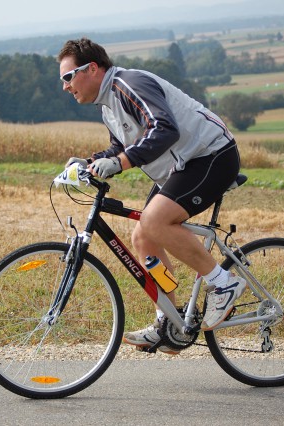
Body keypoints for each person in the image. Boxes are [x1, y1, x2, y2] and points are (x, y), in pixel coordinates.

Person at [58, 37, 246, 355]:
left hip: (210, 155)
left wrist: (118, 163)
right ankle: (170, 321)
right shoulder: (108, 106)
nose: (65, 86)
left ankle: (223, 282)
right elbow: (120, 148)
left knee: (155, 221)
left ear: (91, 69)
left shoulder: (129, 84)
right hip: (181, 167)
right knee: (144, 237)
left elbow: (164, 129)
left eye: (68, 77)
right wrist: (88, 163)